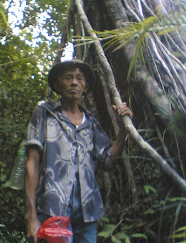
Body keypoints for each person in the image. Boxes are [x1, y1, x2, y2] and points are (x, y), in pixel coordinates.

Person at [24, 59, 133, 243]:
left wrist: (123, 130)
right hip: (53, 208)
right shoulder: (45, 113)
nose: (74, 82)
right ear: (58, 84)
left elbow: (108, 160)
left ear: (85, 86)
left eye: (79, 79)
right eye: (68, 78)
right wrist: (31, 216)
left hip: (87, 212)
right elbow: (32, 162)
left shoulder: (91, 122)